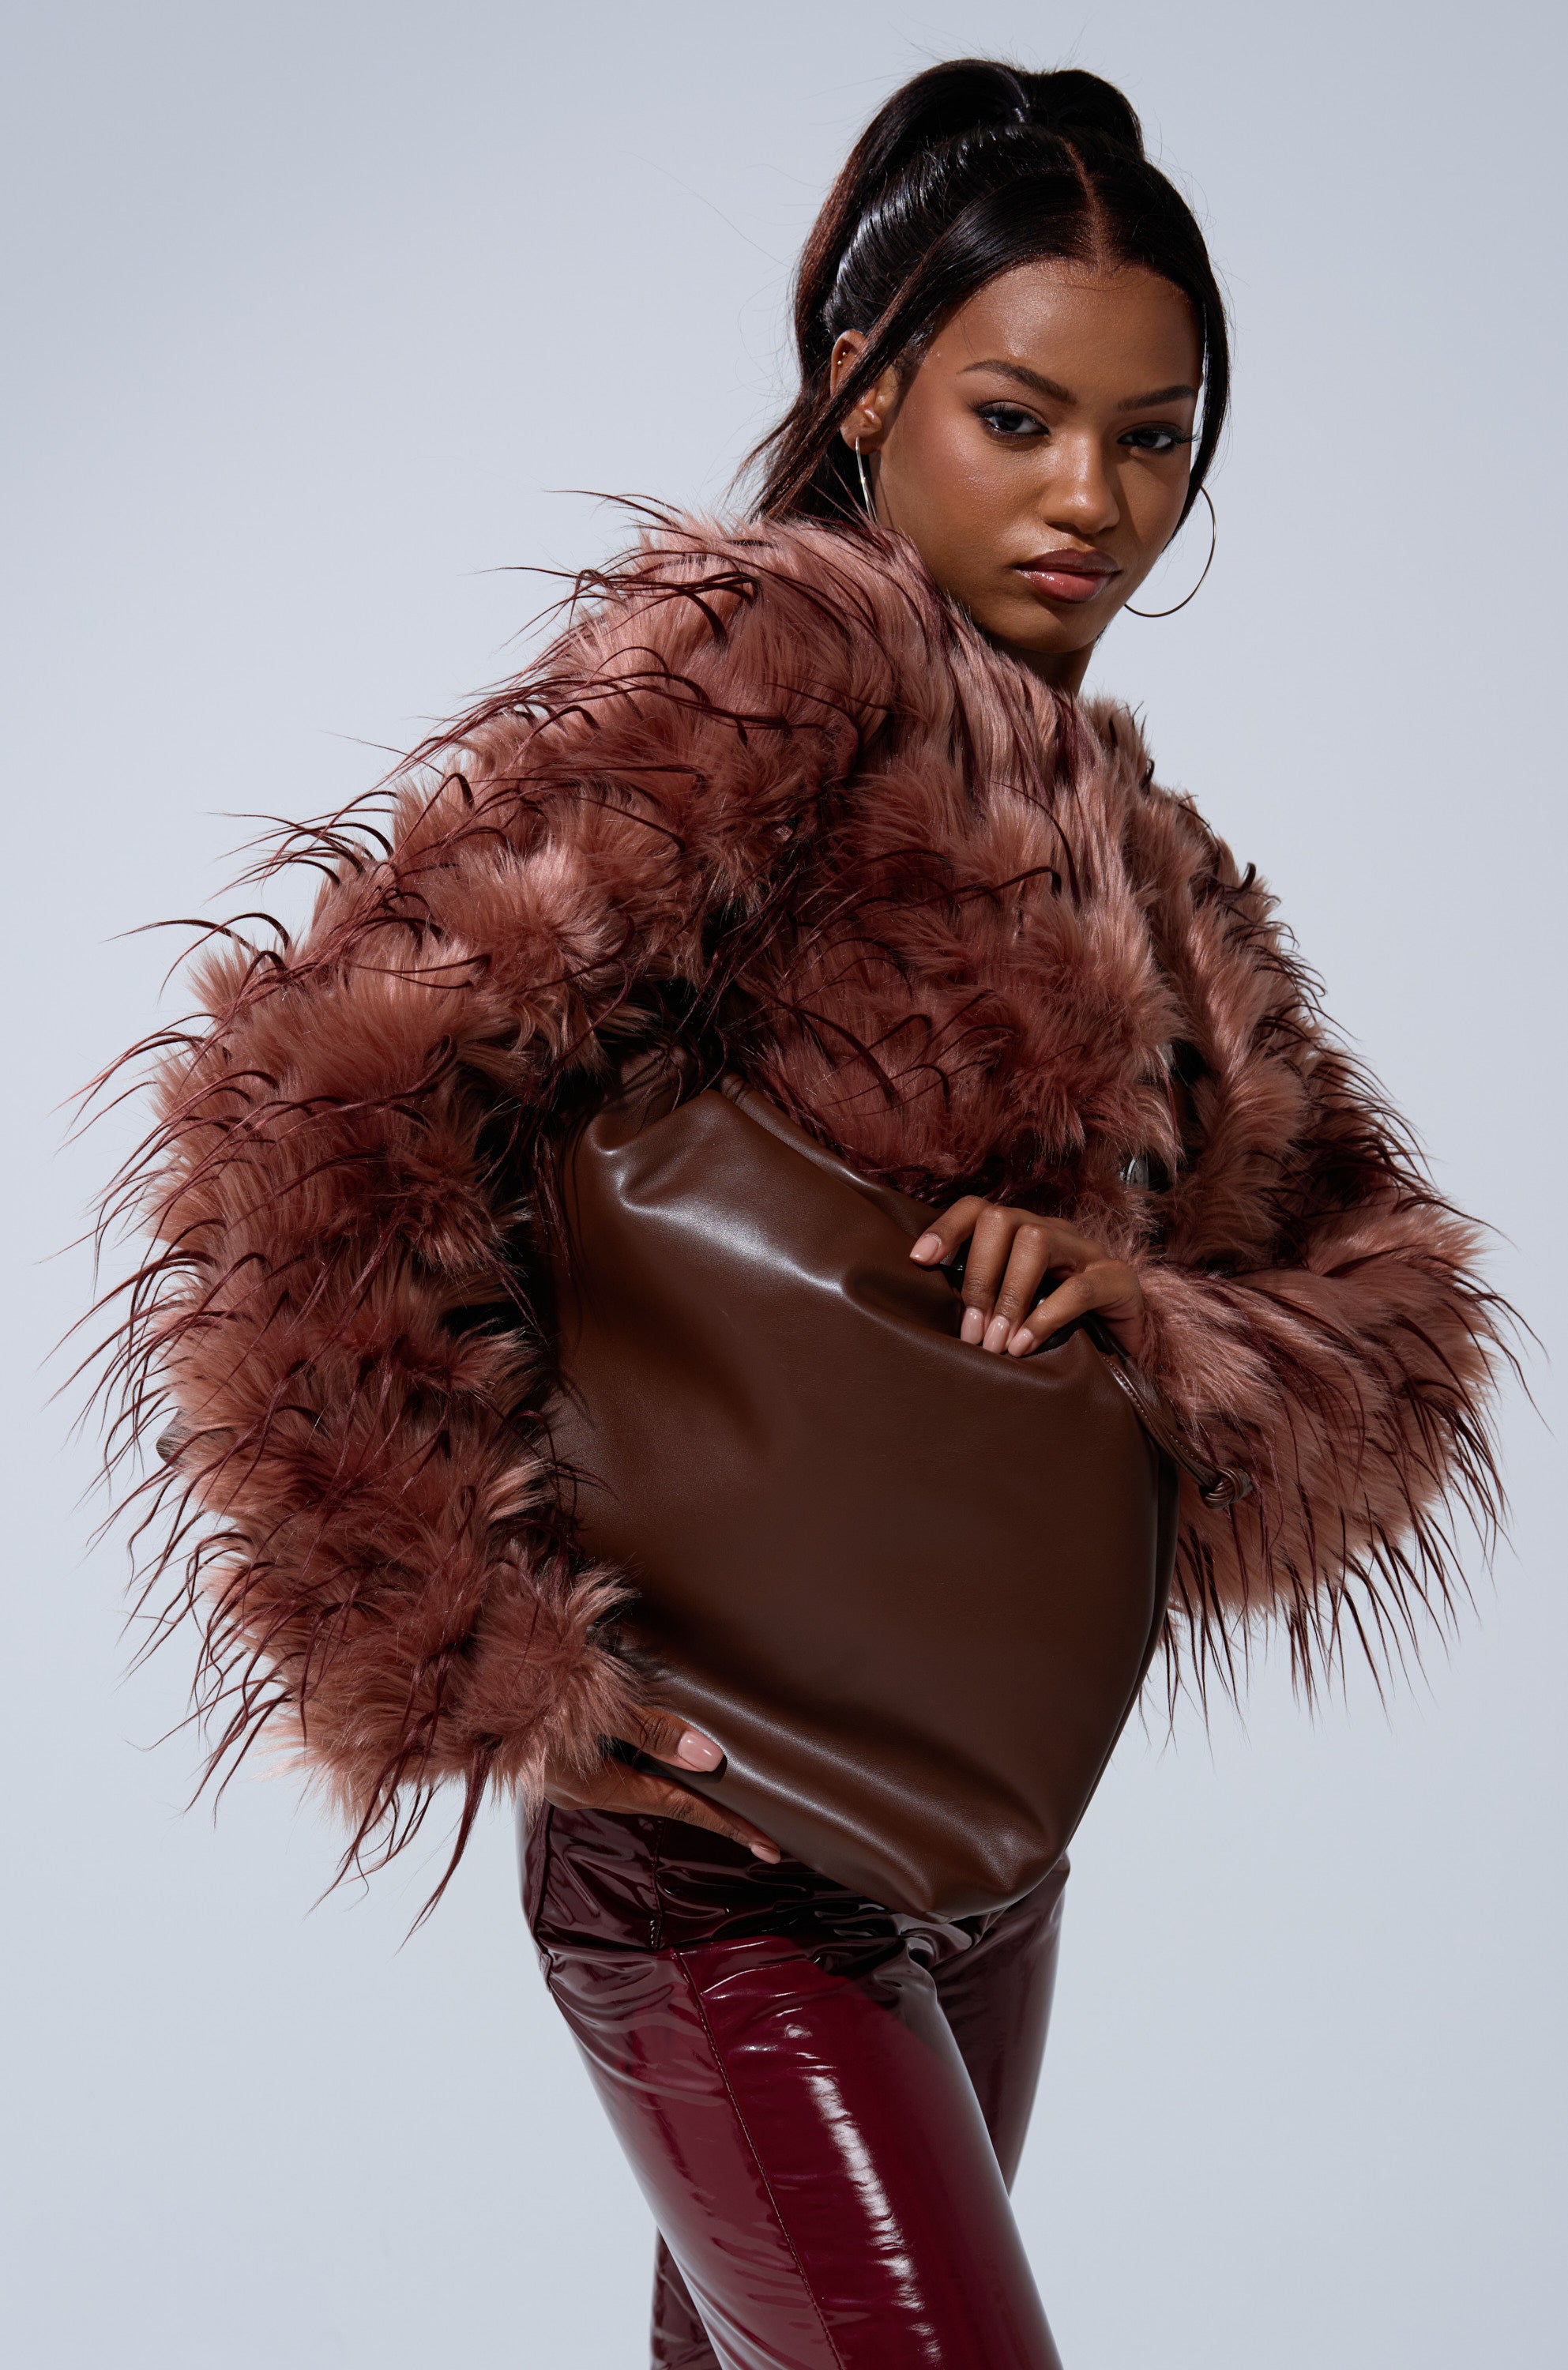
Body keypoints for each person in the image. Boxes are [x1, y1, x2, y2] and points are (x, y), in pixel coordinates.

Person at [102, 59, 1503, 2370]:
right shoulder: (770, 672)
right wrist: (452, 1634)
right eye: (1018, 418)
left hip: (979, 1854)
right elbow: (309, 1092)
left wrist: (1152, 1320)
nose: (1093, 503)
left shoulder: (1154, 870)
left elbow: (1388, 1318)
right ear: (865, 393)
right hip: (720, 1855)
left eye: (1153, 439)